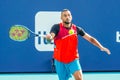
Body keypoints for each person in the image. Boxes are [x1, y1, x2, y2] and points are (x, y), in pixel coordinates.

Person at [45, 9, 111, 80]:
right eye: (65, 15)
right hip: (59, 60)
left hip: (73, 59)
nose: (67, 17)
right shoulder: (56, 27)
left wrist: (101, 47)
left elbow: (90, 39)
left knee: (79, 78)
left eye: (69, 15)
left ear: (71, 16)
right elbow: (51, 37)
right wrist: (49, 38)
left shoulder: (77, 29)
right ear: (61, 18)